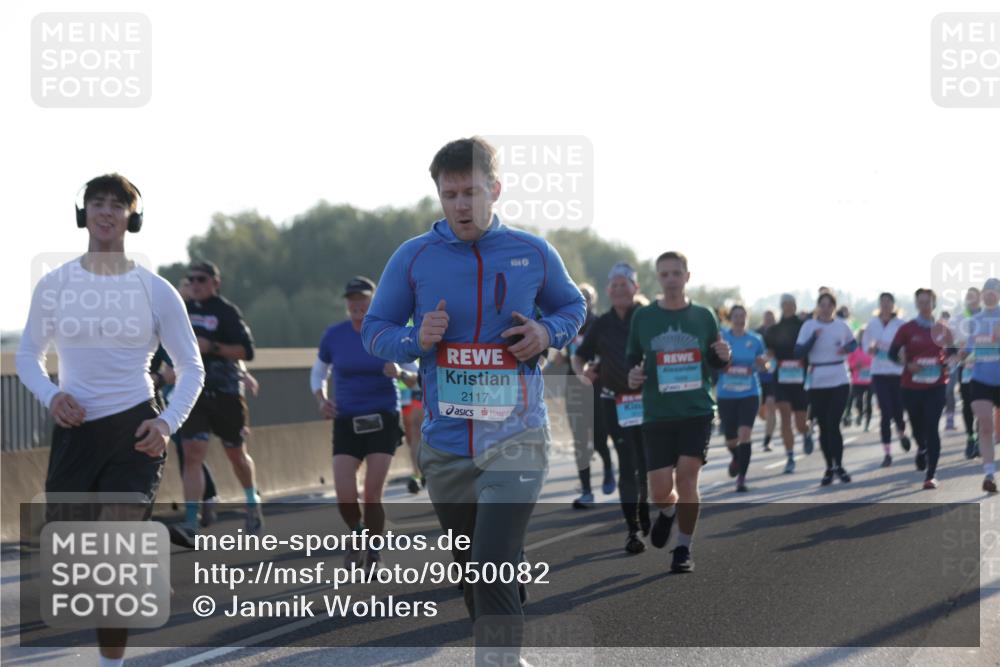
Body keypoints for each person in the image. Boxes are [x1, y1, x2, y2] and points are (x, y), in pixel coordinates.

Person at [361, 136, 586, 661]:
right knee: (472, 570)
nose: (462, 205)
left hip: (518, 436)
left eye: (471, 192)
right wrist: (415, 341)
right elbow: (375, 330)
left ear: (496, 190)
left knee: (489, 562)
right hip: (447, 445)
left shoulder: (532, 252)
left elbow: (573, 308)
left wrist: (546, 333)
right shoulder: (413, 257)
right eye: (450, 194)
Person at [15, 173, 205, 667]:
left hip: (135, 429)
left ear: (131, 217)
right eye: (96, 203)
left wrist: (166, 426)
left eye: (116, 205)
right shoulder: (56, 284)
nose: (105, 212)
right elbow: (28, 354)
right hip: (76, 430)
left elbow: (191, 367)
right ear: (84, 215)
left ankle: (110, 664)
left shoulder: (155, 289)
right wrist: (51, 396)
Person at [626, 251, 731, 573]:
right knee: (660, 491)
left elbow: (715, 360)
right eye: (665, 274)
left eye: (676, 273)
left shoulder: (703, 316)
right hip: (657, 413)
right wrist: (633, 375)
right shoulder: (643, 317)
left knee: (687, 479)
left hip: (696, 410)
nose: (671, 279)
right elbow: (633, 358)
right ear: (658, 279)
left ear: (687, 276)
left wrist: (723, 356)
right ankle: (668, 512)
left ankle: (683, 547)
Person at [311, 276, 408, 566]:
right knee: (344, 494)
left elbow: (415, 373)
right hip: (346, 420)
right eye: (352, 299)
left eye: (362, 299)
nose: (357, 304)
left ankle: (374, 551)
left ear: (373, 301)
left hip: (383, 417)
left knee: (372, 492)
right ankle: (357, 532)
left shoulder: (389, 333)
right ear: (347, 303)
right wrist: (321, 399)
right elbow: (318, 373)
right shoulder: (334, 335)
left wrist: (400, 374)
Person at [177, 260, 261, 538]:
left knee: (236, 454)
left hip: (225, 392)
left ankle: (252, 501)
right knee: (192, 453)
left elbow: (246, 351)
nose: (196, 285)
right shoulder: (181, 310)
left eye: (201, 279)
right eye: (191, 280)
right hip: (193, 392)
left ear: (215, 282)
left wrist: (212, 347)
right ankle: (191, 520)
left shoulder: (226, 311)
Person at [573, 262, 650, 553]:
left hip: (646, 402)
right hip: (613, 401)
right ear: (608, 290)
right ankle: (632, 530)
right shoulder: (601, 324)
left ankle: (645, 510)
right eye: (614, 285)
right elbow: (579, 357)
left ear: (635, 288)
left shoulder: (646, 318)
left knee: (646, 464)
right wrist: (583, 374)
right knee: (627, 463)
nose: (619, 289)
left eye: (624, 284)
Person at [555, 282, 615, 508]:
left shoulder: (599, 324)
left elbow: (608, 352)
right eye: (580, 295)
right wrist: (560, 357)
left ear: (594, 301)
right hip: (574, 385)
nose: (584, 299)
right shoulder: (570, 322)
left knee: (599, 436)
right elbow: (562, 349)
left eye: (587, 296)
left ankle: (608, 468)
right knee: (580, 440)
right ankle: (587, 491)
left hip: (597, 384)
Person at [889, 289, 956, 489]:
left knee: (932, 427)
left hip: (936, 385)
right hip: (911, 386)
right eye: (921, 302)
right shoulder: (907, 329)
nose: (924, 305)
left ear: (933, 305)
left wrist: (947, 364)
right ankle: (921, 448)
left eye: (928, 302)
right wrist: (907, 364)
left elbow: (953, 354)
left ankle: (931, 474)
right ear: (916, 304)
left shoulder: (943, 329)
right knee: (918, 428)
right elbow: (892, 353)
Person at [795, 292, 856, 485]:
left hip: (839, 377)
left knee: (833, 423)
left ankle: (839, 465)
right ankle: (829, 467)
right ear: (818, 307)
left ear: (834, 307)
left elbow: (853, 343)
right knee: (823, 426)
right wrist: (813, 338)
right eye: (822, 305)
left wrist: (846, 349)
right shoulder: (809, 326)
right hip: (818, 379)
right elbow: (798, 352)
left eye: (829, 305)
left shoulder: (841, 325)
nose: (826, 308)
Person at [717, 305, 768, 492]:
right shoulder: (723, 337)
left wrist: (763, 365)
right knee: (731, 439)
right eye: (736, 316)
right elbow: (714, 363)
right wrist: (723, 364)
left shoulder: (755, 339)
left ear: (747, 317)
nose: (739, 319)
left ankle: (742, 478)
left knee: (745, 434)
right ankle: (737, 457)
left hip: (749, 392)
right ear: (731, 318)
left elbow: (764, 366)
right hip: (726, 393)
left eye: (743, 315)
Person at [764, 294, 814, 474]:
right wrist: (766, 361)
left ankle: (806, 432)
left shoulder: (803, 327)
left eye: (790, 304)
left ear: (795, 306)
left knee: (800, 423)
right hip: (781, 379)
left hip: (800, 380)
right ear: (781, 306)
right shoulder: (773, 330)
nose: (788, 307)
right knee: (785, 416)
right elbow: (769, 353)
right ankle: (790, 456)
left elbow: (810, 350)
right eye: (784, 304)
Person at [863, 293, 912, 467]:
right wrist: (871, 349)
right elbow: (865, 346)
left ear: (893, 305)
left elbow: (908, 346)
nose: (885, 305)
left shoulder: (901, 324)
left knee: (898, 410)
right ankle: (887, 453)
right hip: (878, 373)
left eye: (888, 302)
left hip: (897, 372)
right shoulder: (872, 324)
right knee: (885, 411)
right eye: (882, 303)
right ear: (879, 305)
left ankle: (902, 433)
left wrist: (902, 354)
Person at [962, 278, 1000, 493]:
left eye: (995, 291)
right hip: (980, 379)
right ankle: (989, 474)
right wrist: (963, 354)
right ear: (982, 294)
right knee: (985, 426)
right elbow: (969, 348)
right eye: (988, 291)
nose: (991, 295)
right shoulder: (974, 320)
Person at [951, 287, 983, 459]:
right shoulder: (958, 319)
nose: (971, 300)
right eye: (968, 297)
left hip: (985, 367)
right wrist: (959, 348)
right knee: (967, 404)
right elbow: (951, 342)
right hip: (966, 367)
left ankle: (978, 439)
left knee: (982, 404)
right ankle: (970, 437)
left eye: (974, 297)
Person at [755, 310, 778, 451]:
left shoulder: (780, 333)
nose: (769, 320)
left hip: (773, 377)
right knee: (760, 412)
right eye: (767, 318)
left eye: (772, 318)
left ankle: (767, 440)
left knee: (771, 406)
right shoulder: (756, 334)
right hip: (758, 377)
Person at [846, 328, 874, 433]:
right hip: (857, 380)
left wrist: (871, 366)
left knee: (869, 402)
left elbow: (877, 360)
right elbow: (849, 364)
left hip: (870, 379)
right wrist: (855, 365)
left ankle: (867, 424)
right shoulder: (854, 350)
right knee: (858, 401)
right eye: (862, 336)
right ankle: (860, 414)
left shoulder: (871, 348)